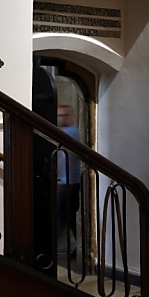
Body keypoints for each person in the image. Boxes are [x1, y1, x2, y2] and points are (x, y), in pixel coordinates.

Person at [55, 104, 82, 257]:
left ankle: (59, 247)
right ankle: (72, 247)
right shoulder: (69, 132)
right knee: (66, 215)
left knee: (64, 214)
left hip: (69, 181)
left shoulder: (70, 132)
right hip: (66, 180)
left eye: (64, 115)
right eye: (59, 115)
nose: (61, 118)